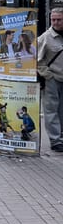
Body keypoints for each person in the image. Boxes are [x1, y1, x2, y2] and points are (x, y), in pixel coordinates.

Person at [37, 8, 63, 151]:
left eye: (59, 19)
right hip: (52, 79)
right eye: (53, 20)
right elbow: (36, 59)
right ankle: (55, 140)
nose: (56, 22)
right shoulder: (46, 38)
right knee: (51, 110)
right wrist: (47, 75)